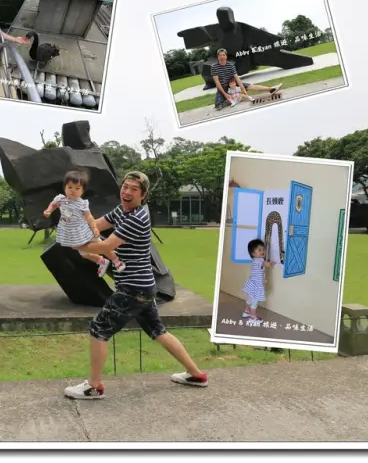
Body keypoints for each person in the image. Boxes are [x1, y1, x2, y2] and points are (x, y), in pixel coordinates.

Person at [63, 172, 209, 400]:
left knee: (98, 329)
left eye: (133, 189)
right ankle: (196, 374)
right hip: (144, 287)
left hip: (133, 288)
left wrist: (79, 245)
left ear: (143, 195)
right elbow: (99, 225)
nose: (127, 192)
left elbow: (108, 245)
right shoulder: (122, 209)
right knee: (158, 331)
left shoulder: (137, 217)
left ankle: (94, 386)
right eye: (125, 186)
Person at [43, 170, 125, 277]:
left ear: (82, 191)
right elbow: (53, 205)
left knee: (101, 246)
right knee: (84, 254)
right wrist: (48, 210)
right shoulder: (60, 200)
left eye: (77, 188)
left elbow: (89, 217)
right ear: (65, 187)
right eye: (70, 187)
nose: (73, 191)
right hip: (73, 234)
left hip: (85, 231)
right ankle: (101, 261)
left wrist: (94, 227)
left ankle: (117, 261)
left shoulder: (81, 204)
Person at [211, 48, 281, 109]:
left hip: (232, 83)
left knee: (251, 86)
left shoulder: (230, 65)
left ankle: (271, 89)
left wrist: (244, 90)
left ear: (226, 56)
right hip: (222, 87)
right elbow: (217, 82)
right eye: (220, 55)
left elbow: (237, 78)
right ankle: (233, 97)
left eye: (224, 55)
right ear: (218, 57)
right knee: (218, 106)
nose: (222, 57)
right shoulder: (214, 67)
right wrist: (225, 94)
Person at [242, 239, 275, 324]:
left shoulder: (255, 261)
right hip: (256, 285)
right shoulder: (259, 260)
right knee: (255, 302)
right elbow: (265, 265)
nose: (262, 251)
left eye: (263, 249)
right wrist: (272, 263)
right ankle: (253, 317)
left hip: (252, 283)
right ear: (253, 253)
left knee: (250, 299)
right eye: (259, 250)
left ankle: (246, 311)